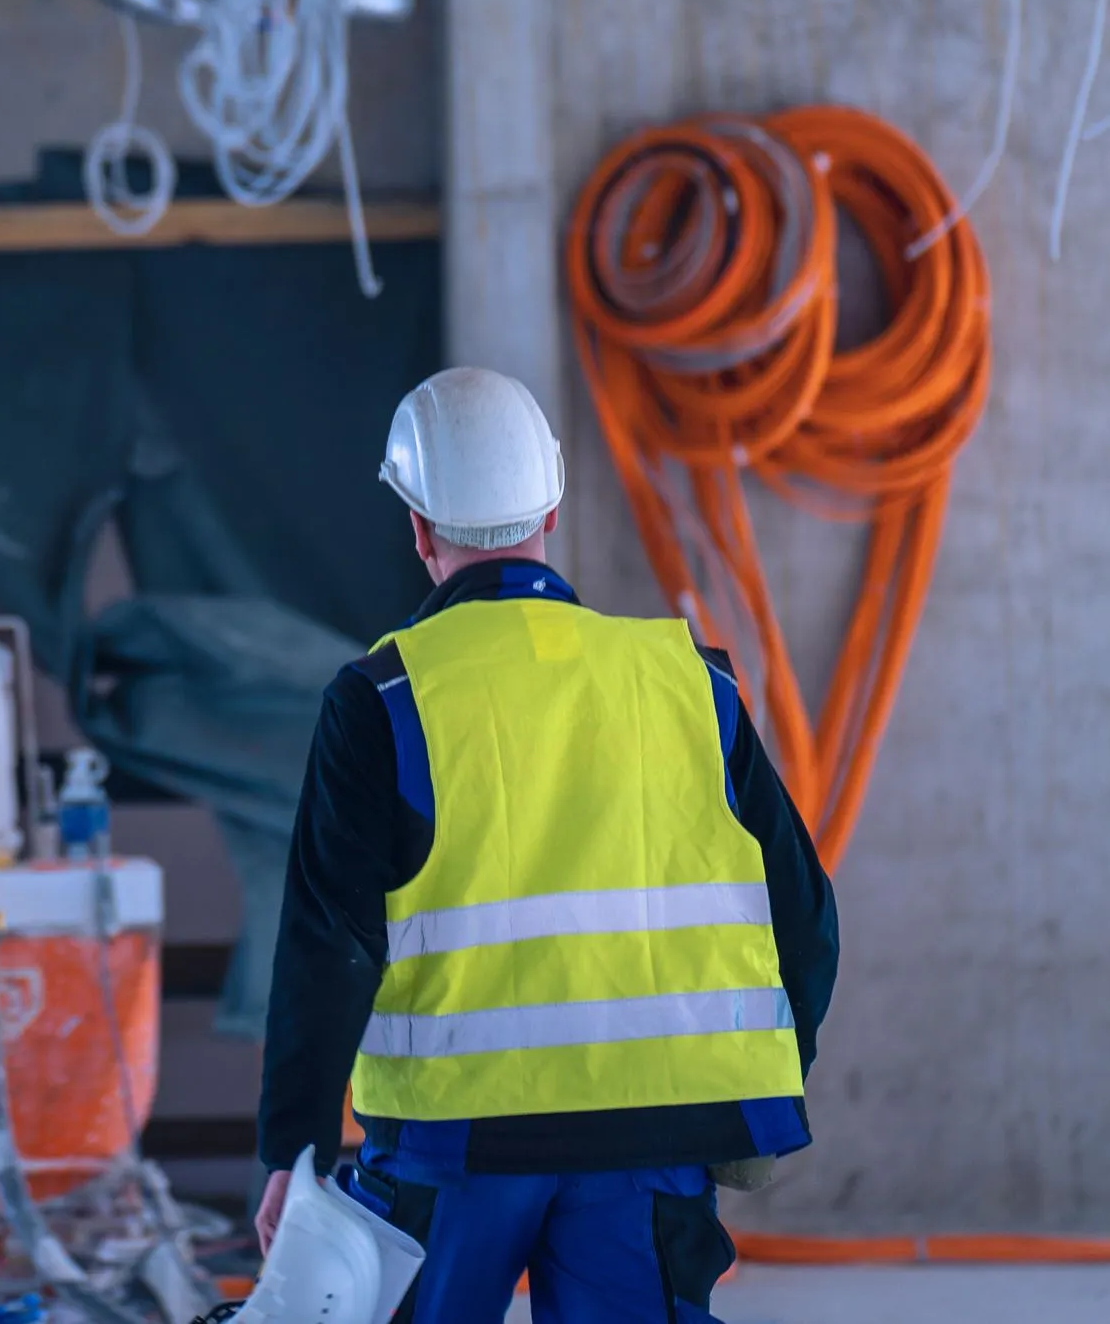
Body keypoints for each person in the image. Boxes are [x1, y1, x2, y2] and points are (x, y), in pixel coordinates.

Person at [251, 368, 839, 1324]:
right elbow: (805, 917)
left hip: (453, 1148)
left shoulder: (384, 699)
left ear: (417, 527)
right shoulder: (690, 683)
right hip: (651, 1142)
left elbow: (330, 947)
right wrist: (750, 1086)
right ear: (553, 509)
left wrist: (296, 1153)